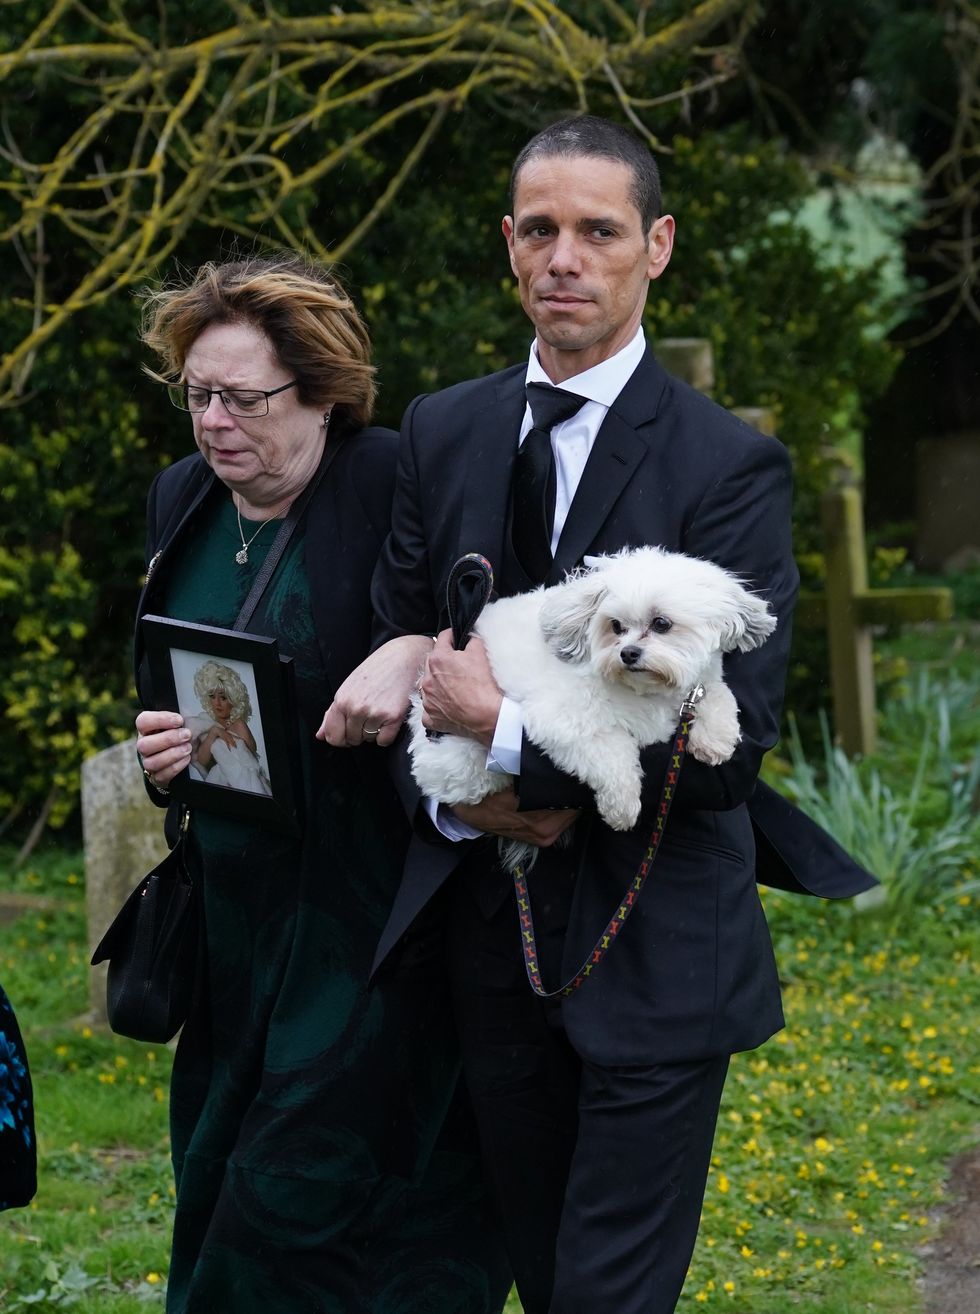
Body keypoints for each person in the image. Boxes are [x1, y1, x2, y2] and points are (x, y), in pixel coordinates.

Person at [324, 116, 871, 1314]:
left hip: (654, 939)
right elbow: (399, 645)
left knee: (607, 1297)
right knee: (533, 1270)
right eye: (539, 230)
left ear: (656, 245)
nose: (563, 256)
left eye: (598, 231)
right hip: (478, 937)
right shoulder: (442, 428)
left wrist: (513, 745)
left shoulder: (728, 465)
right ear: (507, 248)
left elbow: (731, 747)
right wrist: (470, 798)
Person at [131, 255, 510, 1313]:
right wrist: (166, 754)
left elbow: (493, 633)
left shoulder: (392, 478)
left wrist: (409, 647)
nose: (213, 421)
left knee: (299, 1210)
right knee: (217, 1174)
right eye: (197, 393)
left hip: (365, 927)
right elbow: (180, 681)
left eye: (243, 398)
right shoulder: (182, 499)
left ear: (320, 393)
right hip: (233, 927)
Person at [183, 660, 271, 795]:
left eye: (223, 698)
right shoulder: (205, 721)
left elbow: (252, 765)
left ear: (233, 699)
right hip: (217, 786)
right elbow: (201, 760)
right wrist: (214, 733)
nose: (217, 703)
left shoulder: (239, 725)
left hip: (246, 788)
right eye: (212, 696)